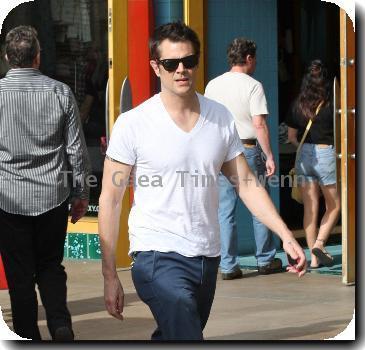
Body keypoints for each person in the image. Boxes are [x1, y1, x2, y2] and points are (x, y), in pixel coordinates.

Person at [98, 21, 306, 341]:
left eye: (189, 61)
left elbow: (246, 184)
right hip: (156, 254)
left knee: (176, 333)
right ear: (156, 67)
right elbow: (110, 201)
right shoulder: (133, 124)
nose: (181, 70)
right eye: (171, 64)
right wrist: (109, 274)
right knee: (186, 332)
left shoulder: (218, 117)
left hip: (207, 256)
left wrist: (285, 235)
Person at [0, 26, 91, 341]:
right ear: (38, 57)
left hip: (8, 200)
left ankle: (27, 334)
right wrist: (81, 193)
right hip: (53, 196)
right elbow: (76, 150)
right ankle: (61, 325)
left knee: (19, 273)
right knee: (51, 265)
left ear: (7, 57)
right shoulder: (60, 92)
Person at [204, 38, 282, 279]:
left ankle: (228, 265)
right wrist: (268, 155)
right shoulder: (253, 86)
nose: (255, 63)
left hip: (220, 151)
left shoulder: (212, 85)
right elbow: (259, 124)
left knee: (225, 210)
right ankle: (265, 259)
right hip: (247, 149)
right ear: (248, 58)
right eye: (255, 58)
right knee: (259, 206)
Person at [286, 59, 340, 268]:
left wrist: (306, 148)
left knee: (310, 209)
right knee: (334, 205)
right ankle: (320, 243)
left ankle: (314, 260)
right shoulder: (334, 102)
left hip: (304, 155)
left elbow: (291, 136)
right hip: (326, 154)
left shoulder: (298, 103)